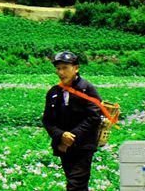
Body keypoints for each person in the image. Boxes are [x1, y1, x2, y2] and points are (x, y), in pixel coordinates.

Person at [42, 51, 104, 191]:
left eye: (65, 68)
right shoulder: (53, 92)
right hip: (64, 146)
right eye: (58, 68)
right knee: (75, 182)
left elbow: (94, 116)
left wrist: (73, 135)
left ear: (76, 68)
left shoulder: (86, 88)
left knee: (76, 184)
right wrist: (61, 135)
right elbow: (47, 120)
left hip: (83, 145)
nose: (61, 72)